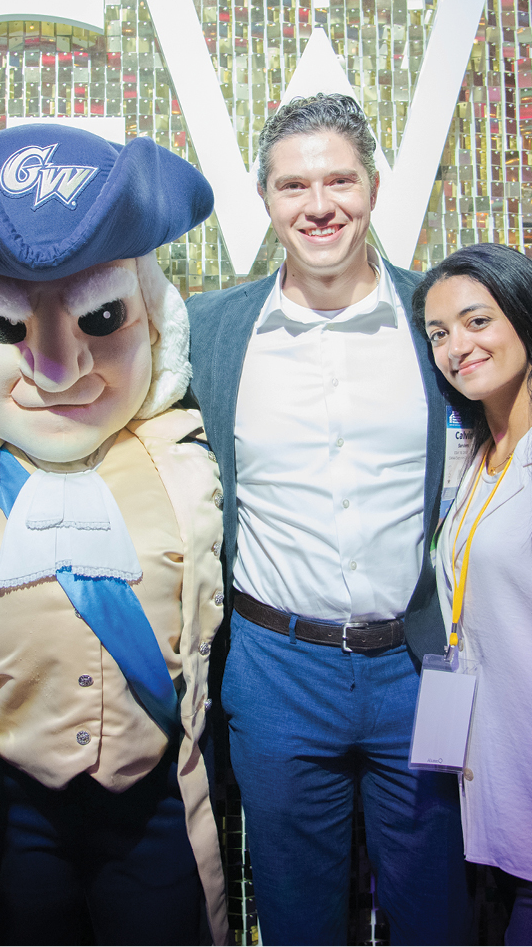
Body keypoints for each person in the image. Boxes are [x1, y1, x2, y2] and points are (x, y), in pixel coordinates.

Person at [0, 122, 228, 946]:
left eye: (103, 317)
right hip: (11, 811)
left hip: (154, 804)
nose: (59, 369)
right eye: (5, 329)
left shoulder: (190, 463)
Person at [187, 93, 469, 945]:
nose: (319, 205)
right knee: (295, 913)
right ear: (267, 202)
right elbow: (104, 409)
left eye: (339, 179)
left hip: (420, 665)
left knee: (435, 911)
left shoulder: (441, 319)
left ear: (373, 188)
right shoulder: (208, 333)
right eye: (293, 186)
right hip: (275, 668)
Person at [413, 241, 532, 947]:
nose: (458, 345)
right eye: (439, 333)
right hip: (496, 768)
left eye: (477, 320)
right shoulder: (483, 457)